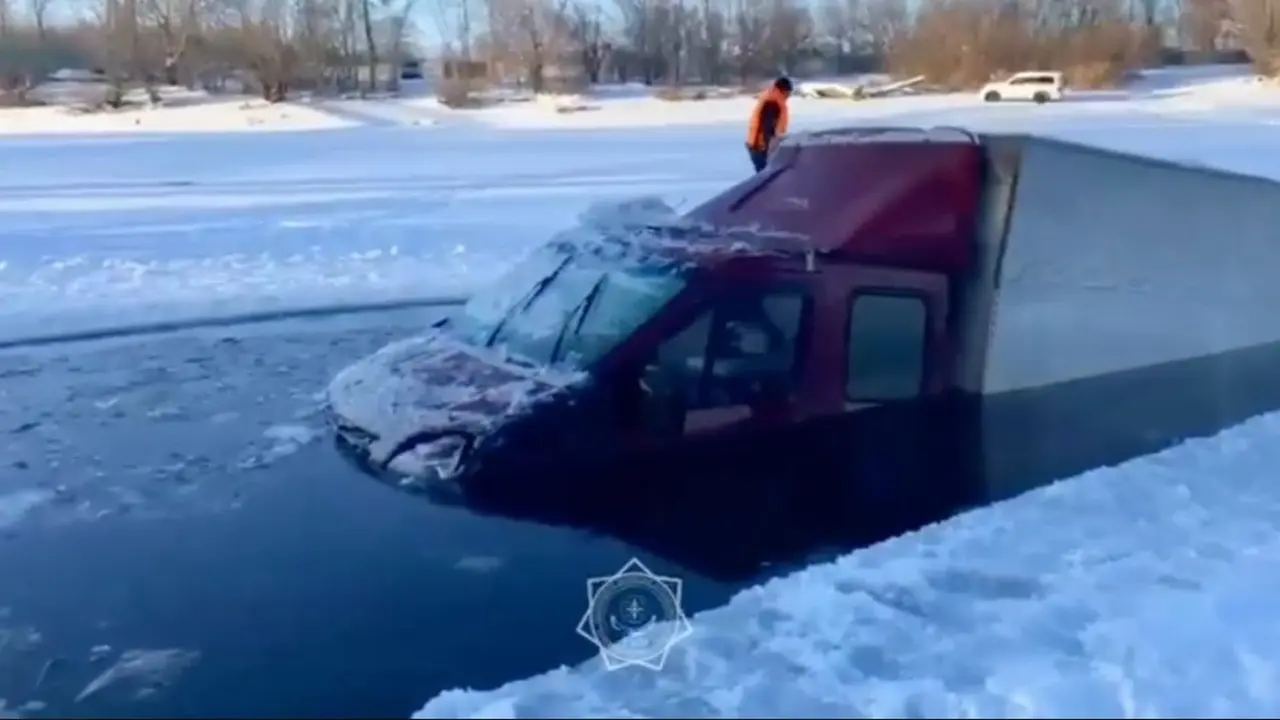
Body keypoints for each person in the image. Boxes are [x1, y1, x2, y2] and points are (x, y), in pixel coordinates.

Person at [745, 77, 793, 173]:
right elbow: (766, 128)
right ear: (784, 90)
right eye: (789, 92)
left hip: (759, 145)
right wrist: (768, 148)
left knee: (765, 175)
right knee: (766, 176)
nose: (789, 95)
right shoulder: (772, 103)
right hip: (761, 147)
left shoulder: (772, 99)